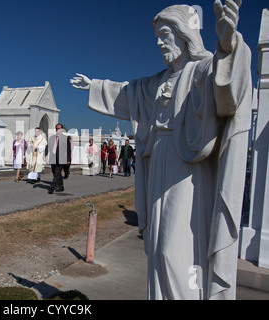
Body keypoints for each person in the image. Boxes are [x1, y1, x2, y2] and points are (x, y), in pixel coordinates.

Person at [70, 1, 252, 300]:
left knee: (175, 248)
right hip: (159, 162)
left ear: (184, 34)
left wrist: (228, 43)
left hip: (189, 168)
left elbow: (228, 89)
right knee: (157, 243)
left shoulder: (203, 70)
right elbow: (128, 91)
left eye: (164, 33)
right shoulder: (157, 81)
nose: (158, 42)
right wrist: (96, 86)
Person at [45, 123, 72, 194]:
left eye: (59, 128)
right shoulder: (52, 137)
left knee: (57, 173)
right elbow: (48, 146)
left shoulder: (65, 138)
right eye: (57, 128)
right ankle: (61, 186)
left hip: (61, 158)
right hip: (53, 158)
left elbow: (68, 150)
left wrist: (68, 160)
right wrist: (45, 154)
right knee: (55, 173)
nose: (58, 129)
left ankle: (52, 188)